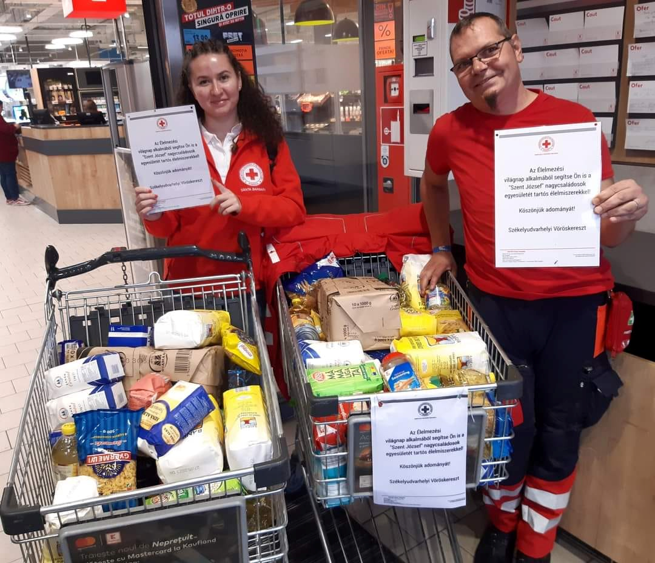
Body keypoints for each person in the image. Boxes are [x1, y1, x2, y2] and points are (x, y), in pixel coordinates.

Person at [419, 13, 648, 563]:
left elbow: (608, 234)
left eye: (489, 51)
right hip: (496, 305)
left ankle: (536, 543)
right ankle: (501, 525)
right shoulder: (449, 130)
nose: (479, 67)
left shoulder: (574, 123)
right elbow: (431, 182)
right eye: (464, 63)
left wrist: (628, 213)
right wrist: (442, 245)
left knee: (560, 428)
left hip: (573, 306)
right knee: (505, 426)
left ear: (516, 48)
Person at [135, 39, 306, 287]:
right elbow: (165, 229)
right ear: (192, 89)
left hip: (250, 283)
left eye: (223, 77)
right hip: (189, 285)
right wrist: (154, 213)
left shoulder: (268, 141)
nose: (216, 90)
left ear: (239, 80)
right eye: (204, 82)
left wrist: (244, 205)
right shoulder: (172, 145)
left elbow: (294, 209)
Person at [0, 100, 30, 206]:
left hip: (2, 153)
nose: (2, 109)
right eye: (1, 107)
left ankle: (9, 198)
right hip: (5, 152)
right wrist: (15, 126)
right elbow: (6, 130)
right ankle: (15, 198)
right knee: (10, 174)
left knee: (4, 175)